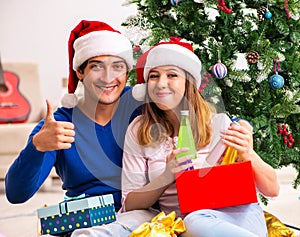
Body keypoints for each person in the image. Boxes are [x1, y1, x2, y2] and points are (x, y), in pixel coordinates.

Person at [5, 20, 156, 236]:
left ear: (126, 72)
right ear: (79, 72)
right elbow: (16, 194)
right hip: (84, 222)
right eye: (96, 66)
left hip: (140, 219)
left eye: (117, 66)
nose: (108, 77)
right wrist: (37, 147)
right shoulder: (57, 125)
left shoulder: (145, 109)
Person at [121, 37, 280, 236]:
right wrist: (166, 176)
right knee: (193, 222)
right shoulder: (139, 130)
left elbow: (272, 189)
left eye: (172, 75)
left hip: (238, 215)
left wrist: (248, 154)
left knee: (195, 221)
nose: (161, 83)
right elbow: (130, 203)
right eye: (153, 76)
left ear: (189, 82)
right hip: (189, 223)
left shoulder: (220, 123)